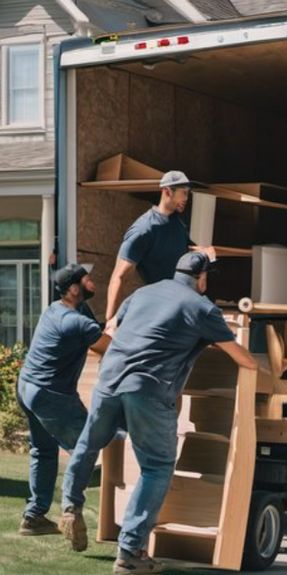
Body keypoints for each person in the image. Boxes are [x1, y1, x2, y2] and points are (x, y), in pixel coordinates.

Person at [60, 252, 257, 575]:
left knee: (89, 443)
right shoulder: (202, 307)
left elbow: (112, 326)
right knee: (157, 466)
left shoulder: (142, 293)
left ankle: (70, 505)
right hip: (147, 389)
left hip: (109, 380)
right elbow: (242, 358)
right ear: (202, 278)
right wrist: (262, 369)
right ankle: (130, 551)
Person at [17, 263, 111, 536]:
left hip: (28, 387)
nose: (92, 281)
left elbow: (98, 328)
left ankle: (34, 517)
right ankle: (71, 510)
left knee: (43, 450)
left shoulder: (62, 309)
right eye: (87, 279)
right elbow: (110, 347)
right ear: (73, 289)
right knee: (88, 446)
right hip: (49, 394)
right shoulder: (74, 321)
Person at [105, 170, 215, 326]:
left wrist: (205, 252)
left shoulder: (177, 222)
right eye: (183, 193)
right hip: (161, 308)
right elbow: (119, 276)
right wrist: (110, 320)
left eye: (188, 194)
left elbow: (184, 248)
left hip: (183, 301)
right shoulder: (143, 230)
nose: (186, 199)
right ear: (167, 191)